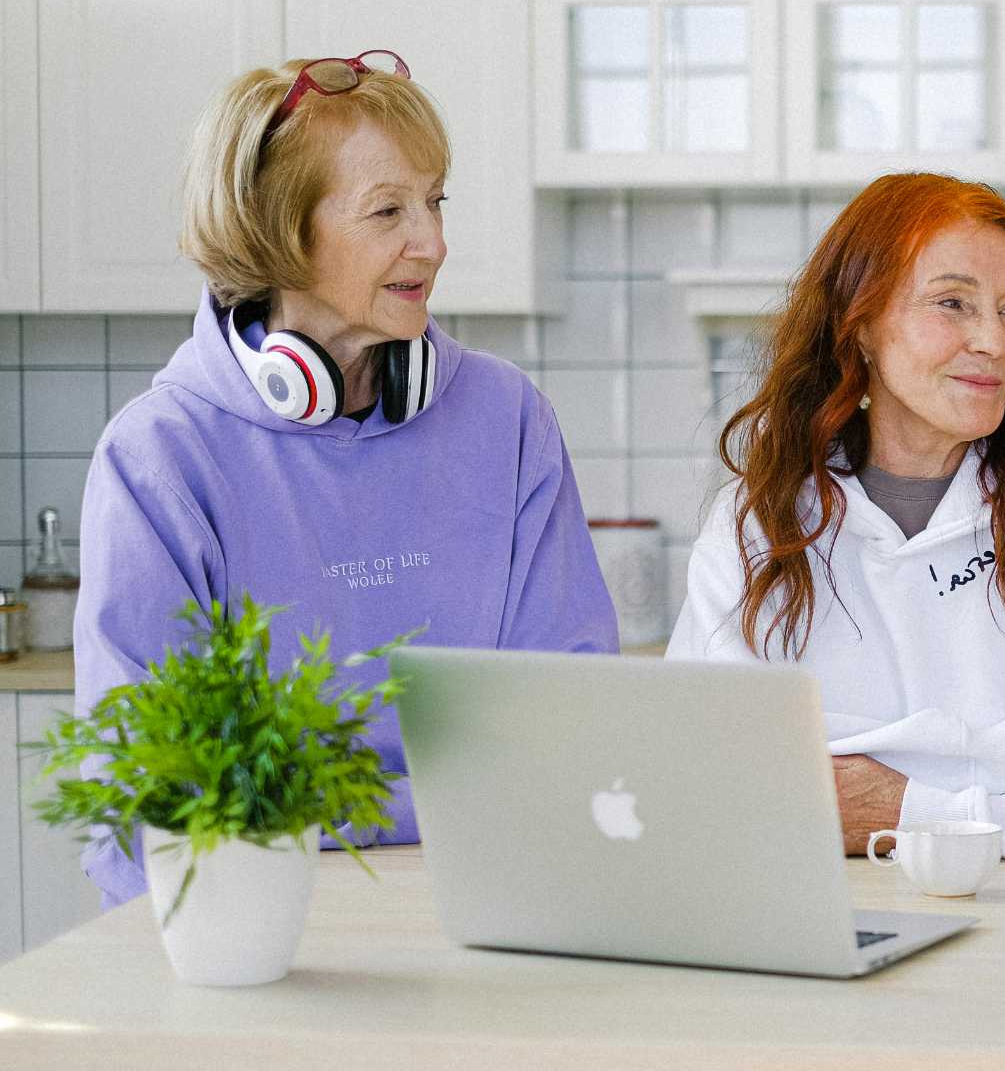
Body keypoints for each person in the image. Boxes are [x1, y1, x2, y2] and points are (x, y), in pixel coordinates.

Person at [74, 51, 617, 906]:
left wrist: (314, 813)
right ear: (277, 230)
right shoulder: (160, 457)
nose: (433, 242)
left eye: (435, 201)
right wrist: (437, 807)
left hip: (493, 900)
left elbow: (573, 732)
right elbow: (155, 799)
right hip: (252, 921)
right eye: (387, 210)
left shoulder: (507, 419)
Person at [668, 172, 1005, 858]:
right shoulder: (756, 527)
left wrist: (892, 808)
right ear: (861, 324)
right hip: (824, 932)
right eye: (953, 303)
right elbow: (719, 787)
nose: (995, 341)